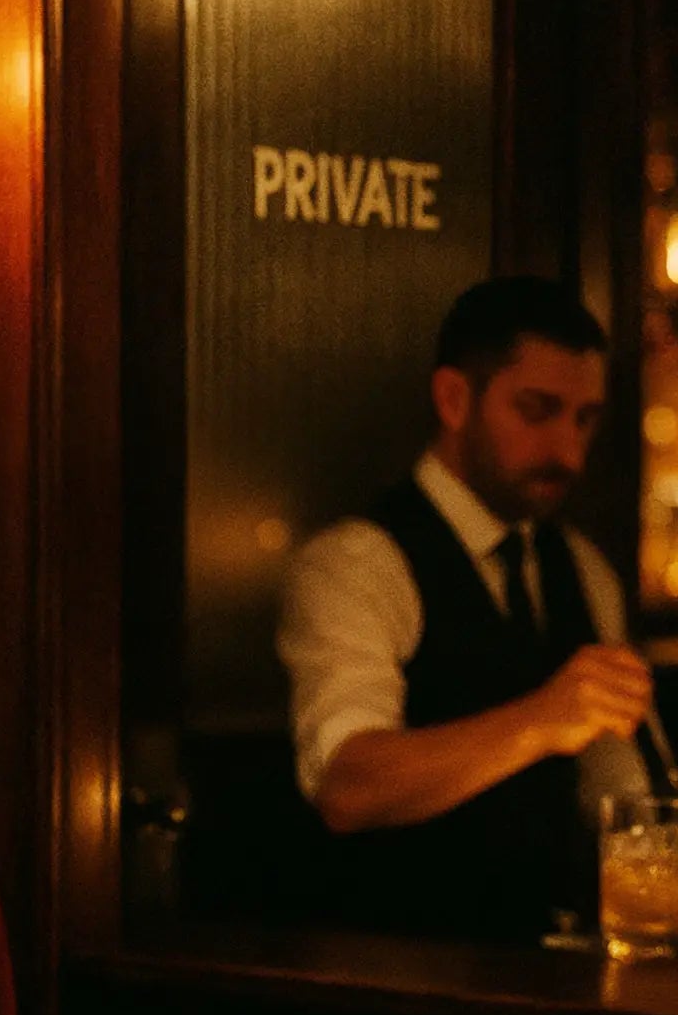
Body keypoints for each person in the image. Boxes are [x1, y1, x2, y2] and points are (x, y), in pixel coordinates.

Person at [277, 275, 656, 940]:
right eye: (537, 411)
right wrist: (541, 719)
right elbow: (346, 787)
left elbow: (618, 796)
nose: (567, 452)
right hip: (402, 991)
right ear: (454, 399)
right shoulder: (358, 563)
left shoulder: (586, 571)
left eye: (585, 419)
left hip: (555, 980)